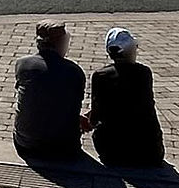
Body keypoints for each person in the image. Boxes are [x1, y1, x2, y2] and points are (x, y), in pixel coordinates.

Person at [86, 27, 165, 168]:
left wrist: (87, 121)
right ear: (131, 50)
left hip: (113, 152)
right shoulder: (144, 73)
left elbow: (97, 114)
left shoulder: (101, 76)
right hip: (150, 151)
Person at [13, 20, 87, 159]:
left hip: (25, 144)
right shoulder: (74, 71)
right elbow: (73, 104)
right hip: (64, 149)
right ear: (60, 44)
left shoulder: (23, 64)